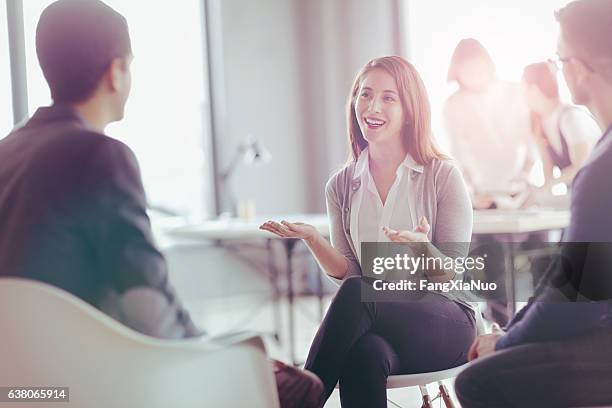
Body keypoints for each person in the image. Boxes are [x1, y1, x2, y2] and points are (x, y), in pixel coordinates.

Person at [0, 1, 323, 407]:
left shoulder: (6, 153)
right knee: (301, 385)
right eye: (130, 65)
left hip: (22, 389)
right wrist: (212, 353)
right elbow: (149, 308)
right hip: (94, 383)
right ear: (116, 72)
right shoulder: (100, 156)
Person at [260, 56, 476, 407]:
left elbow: (450, 273)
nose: (372, 106)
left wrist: (422, 247)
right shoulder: (342, 185)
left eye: (389, 97)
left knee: (360, 293)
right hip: (384, 325)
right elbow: (352, 273)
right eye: (365, 94)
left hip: (447, 323)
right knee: (364, 352)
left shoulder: (442, 176)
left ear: (410, 109)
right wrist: (314, 239)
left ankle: (302, 395)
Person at [455, 1, 612, 406]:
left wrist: (505, 343)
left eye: (558, 60)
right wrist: (514, 333)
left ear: (577, 68)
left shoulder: (601, 168)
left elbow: (576, 300)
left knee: (477, 380)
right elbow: (571, 278)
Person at [444, 38, 535, 210]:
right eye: (468, 69)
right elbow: (458, 152)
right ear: (456, 71)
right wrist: (472, 191)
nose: (475, 74)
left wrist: (525, 174)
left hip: (519, 188)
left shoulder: (515, 92)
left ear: (489, 65)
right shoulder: (453, 104)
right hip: (482, 193)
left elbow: (532, 139)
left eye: (479, 67)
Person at [522, 61, 600, 198]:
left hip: (598, 192)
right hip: (578, 194)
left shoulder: (570, 117)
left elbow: (581, 166)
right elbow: (548, 171)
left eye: (524, 89)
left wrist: (549, 185)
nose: (522, 96)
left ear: (534, 89)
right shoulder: (541, 123)